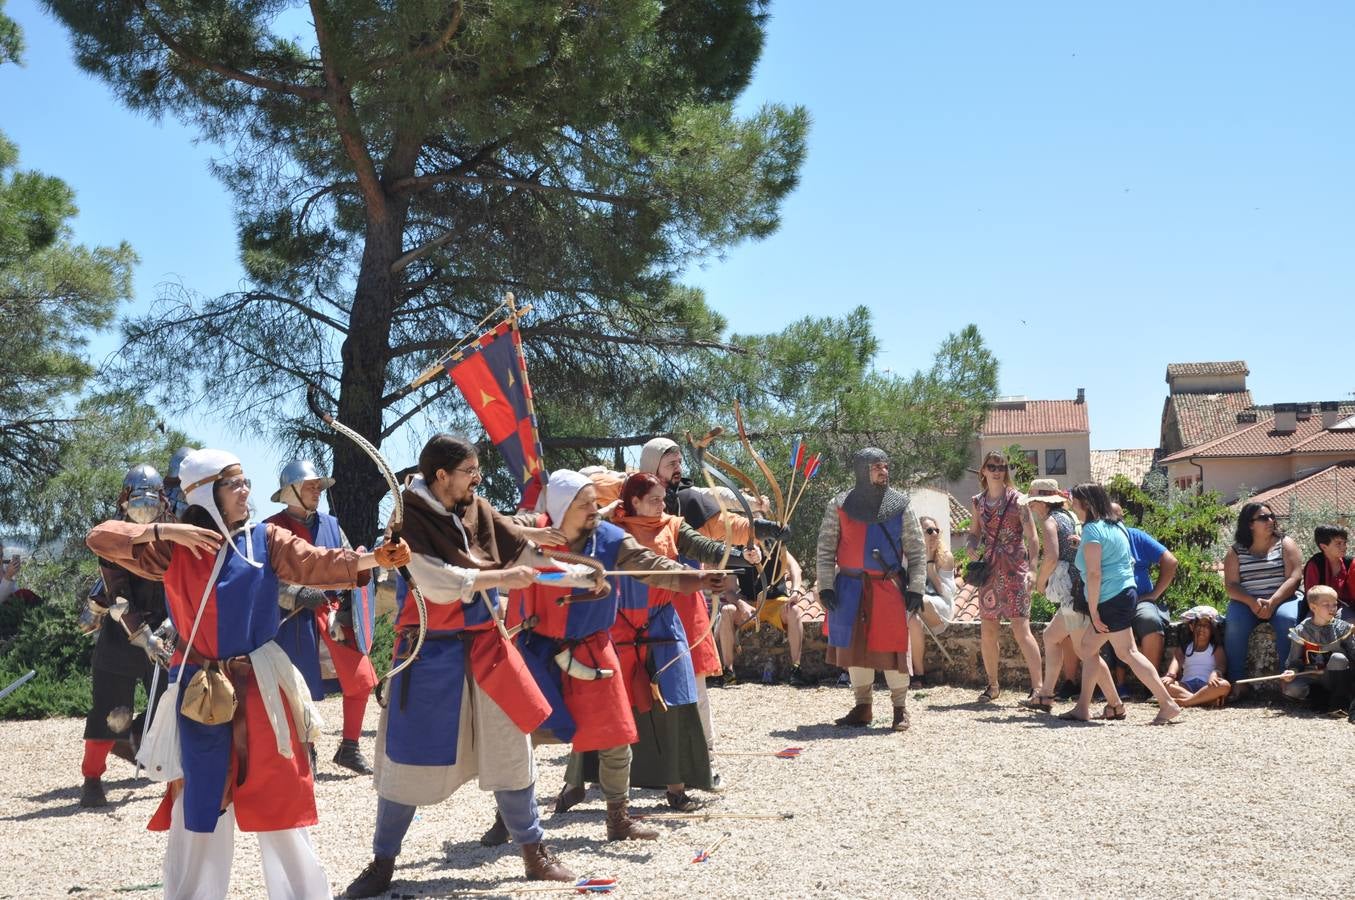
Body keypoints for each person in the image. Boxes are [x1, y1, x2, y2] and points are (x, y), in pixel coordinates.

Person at [86, 449, 407, 900]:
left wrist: (375, 559)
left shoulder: (266, 539)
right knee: (200, 806)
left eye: (243, 481)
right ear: (205, 492)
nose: (246, 490)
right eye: (233, 483)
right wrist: (163, 528)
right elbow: (101, 538)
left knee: (279, 801)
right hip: (199, 690)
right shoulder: (171, 547)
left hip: (261, 688)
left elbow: (317, 562)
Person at [347, 435, 572, 899]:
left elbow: (519, 551)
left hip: (489, 646)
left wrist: (578, 575)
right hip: (430, 653)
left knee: (513, 752)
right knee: (407, 761)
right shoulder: (405, 522)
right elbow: (438, 583)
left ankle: (534, 852)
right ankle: (382, 861)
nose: (478, 478)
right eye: (470, 470)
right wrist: (502, 578)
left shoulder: (475, 507)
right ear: (441, 475)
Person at [265, 459, 378, 775]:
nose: (316, 491)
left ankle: (349, 748)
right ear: (291, 492)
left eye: (318, 486)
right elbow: (264, 578)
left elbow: (346, 563)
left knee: (361, 679)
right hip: (294, 620)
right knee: (299, 689)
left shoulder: (331, 525)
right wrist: (297, 594)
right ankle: (307, 752)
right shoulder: (270, 528)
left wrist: (346, 607)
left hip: (330, 617)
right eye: (309, 486)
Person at [79, 464, 173, 808]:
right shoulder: (113, 537)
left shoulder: (173, 533)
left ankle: (150, 755)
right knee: (112, 713)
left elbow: (183, 587)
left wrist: (172, 626)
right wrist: (144, 637)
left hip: (165, 636)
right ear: (125, 500)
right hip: (122, 637)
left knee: (168, 708)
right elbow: (118, 598)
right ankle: (92, 778)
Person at [816, 448, 924, 732]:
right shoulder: (839, 504)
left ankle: (900, 709)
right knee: (855, 648)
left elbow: (916, 549)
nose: (884, 472)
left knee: (893, 647)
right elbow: (826, 548)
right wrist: (826, 585)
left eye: (886, 467)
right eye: (877, 467)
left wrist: (916, 587)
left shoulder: (900, 504)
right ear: (863, 470)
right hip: (849, 586)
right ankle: (862, 706)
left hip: (886, 586)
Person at [1060, 483, 1183, 725]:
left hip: (1109, 598)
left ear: (1085, 503)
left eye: (1074, 500)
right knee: (1094, 649)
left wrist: (1094, 610)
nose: (1072, 503)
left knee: (1120, 652)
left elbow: (1094, 574)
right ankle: (1088, 706)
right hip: (1125, 594)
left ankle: (1164, 703)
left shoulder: (1093, 530)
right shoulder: (1116, 527)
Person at [1020, 483, 1117, 713]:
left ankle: (1115, 703)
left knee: (1086, 651)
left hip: (1072, 594)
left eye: (1033, 500)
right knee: (1051, 636)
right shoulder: (1069, 516)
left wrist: (1041, 582)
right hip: (1077, 590)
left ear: (1043, 501)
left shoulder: (1050, 522)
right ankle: (1046, 694)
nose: (1031, 505)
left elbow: (1052, 556)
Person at [966, 450, 1043, 705]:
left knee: (1021, 628)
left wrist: (1033, 568)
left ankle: (1038, 688)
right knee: (988, 629)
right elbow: (974, 532)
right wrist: (971, 545)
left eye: (1002, 466)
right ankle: (992, 685)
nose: (998, 470)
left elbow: (1032, 536)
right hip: (990, 569)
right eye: (992, 466)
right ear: (984, 471)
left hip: (1014, 568)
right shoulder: (978, 502)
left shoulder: (1018, 500)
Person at [1223, 503, 1303, 701]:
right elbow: (1231, 585)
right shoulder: (1235, 551)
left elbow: (1294, 577)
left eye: (1271, 516)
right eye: (1263, 518)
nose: (1270, 521)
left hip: (1283, 599)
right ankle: (1238, 683)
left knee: (1287, 620)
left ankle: (1288, 681)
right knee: (1234, 623)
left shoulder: (1285, 544)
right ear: (1250, 524)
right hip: (1247, 601)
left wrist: (1273, 602)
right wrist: (1251, 602)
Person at [1101, 502, 1178, 692]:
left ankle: (1150, 686)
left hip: (1140, 600)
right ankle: (1112, 687)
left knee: (1150, 621)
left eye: (1117, 518)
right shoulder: (1099, 539)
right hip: (1110, 600)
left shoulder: (1135, 537)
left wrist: (1154, 594)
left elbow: (1170, 561)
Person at [1279, 585, 1355, 714]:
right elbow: (1295, 661)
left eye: (1334, 604)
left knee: (1338, 658)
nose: (1332, 608)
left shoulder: (1343, 628)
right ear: (1313, 607)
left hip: (1337, 677)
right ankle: (1322, 700)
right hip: (1314, 677)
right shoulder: (1301, 630)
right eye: (1326, 605)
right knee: (1291, 689)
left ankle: (1340, 702)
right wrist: (1292, 672)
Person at [908, 516, 954, 687]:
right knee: (913, 620)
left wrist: (929, 562)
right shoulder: (910, 557)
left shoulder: (946, 556)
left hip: (940, 609)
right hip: (915, 610)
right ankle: (919, 674)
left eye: (936, 530)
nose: (934, 534)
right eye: (929, 531)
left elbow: (947, 593)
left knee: (921, 600)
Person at [1161, 606, 1230, 709]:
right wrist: (1170, 675)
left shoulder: (1216, 648)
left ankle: (1186, 702)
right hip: (1186, 685)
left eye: (1206, 626)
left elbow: (1221, 665)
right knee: (1161, 684)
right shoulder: (1185, 647)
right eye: (1199, 625)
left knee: (1224, 686)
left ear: (1212, 630)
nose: (1202, 629)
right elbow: (1177, 660)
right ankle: (1203, 701)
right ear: (1192, 627)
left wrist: (1215, 674)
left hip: (1207, 685)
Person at [1301, 525, 1354, 621]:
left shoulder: (1349, 563)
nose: (1344, 547)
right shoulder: (1315, 564)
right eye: (1338, 543)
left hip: (1344, 607)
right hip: (1319, 608)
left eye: (1345, 543)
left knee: (1349, 624)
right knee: (1314, 628)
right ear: (1324, 546)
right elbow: (1312, 596)